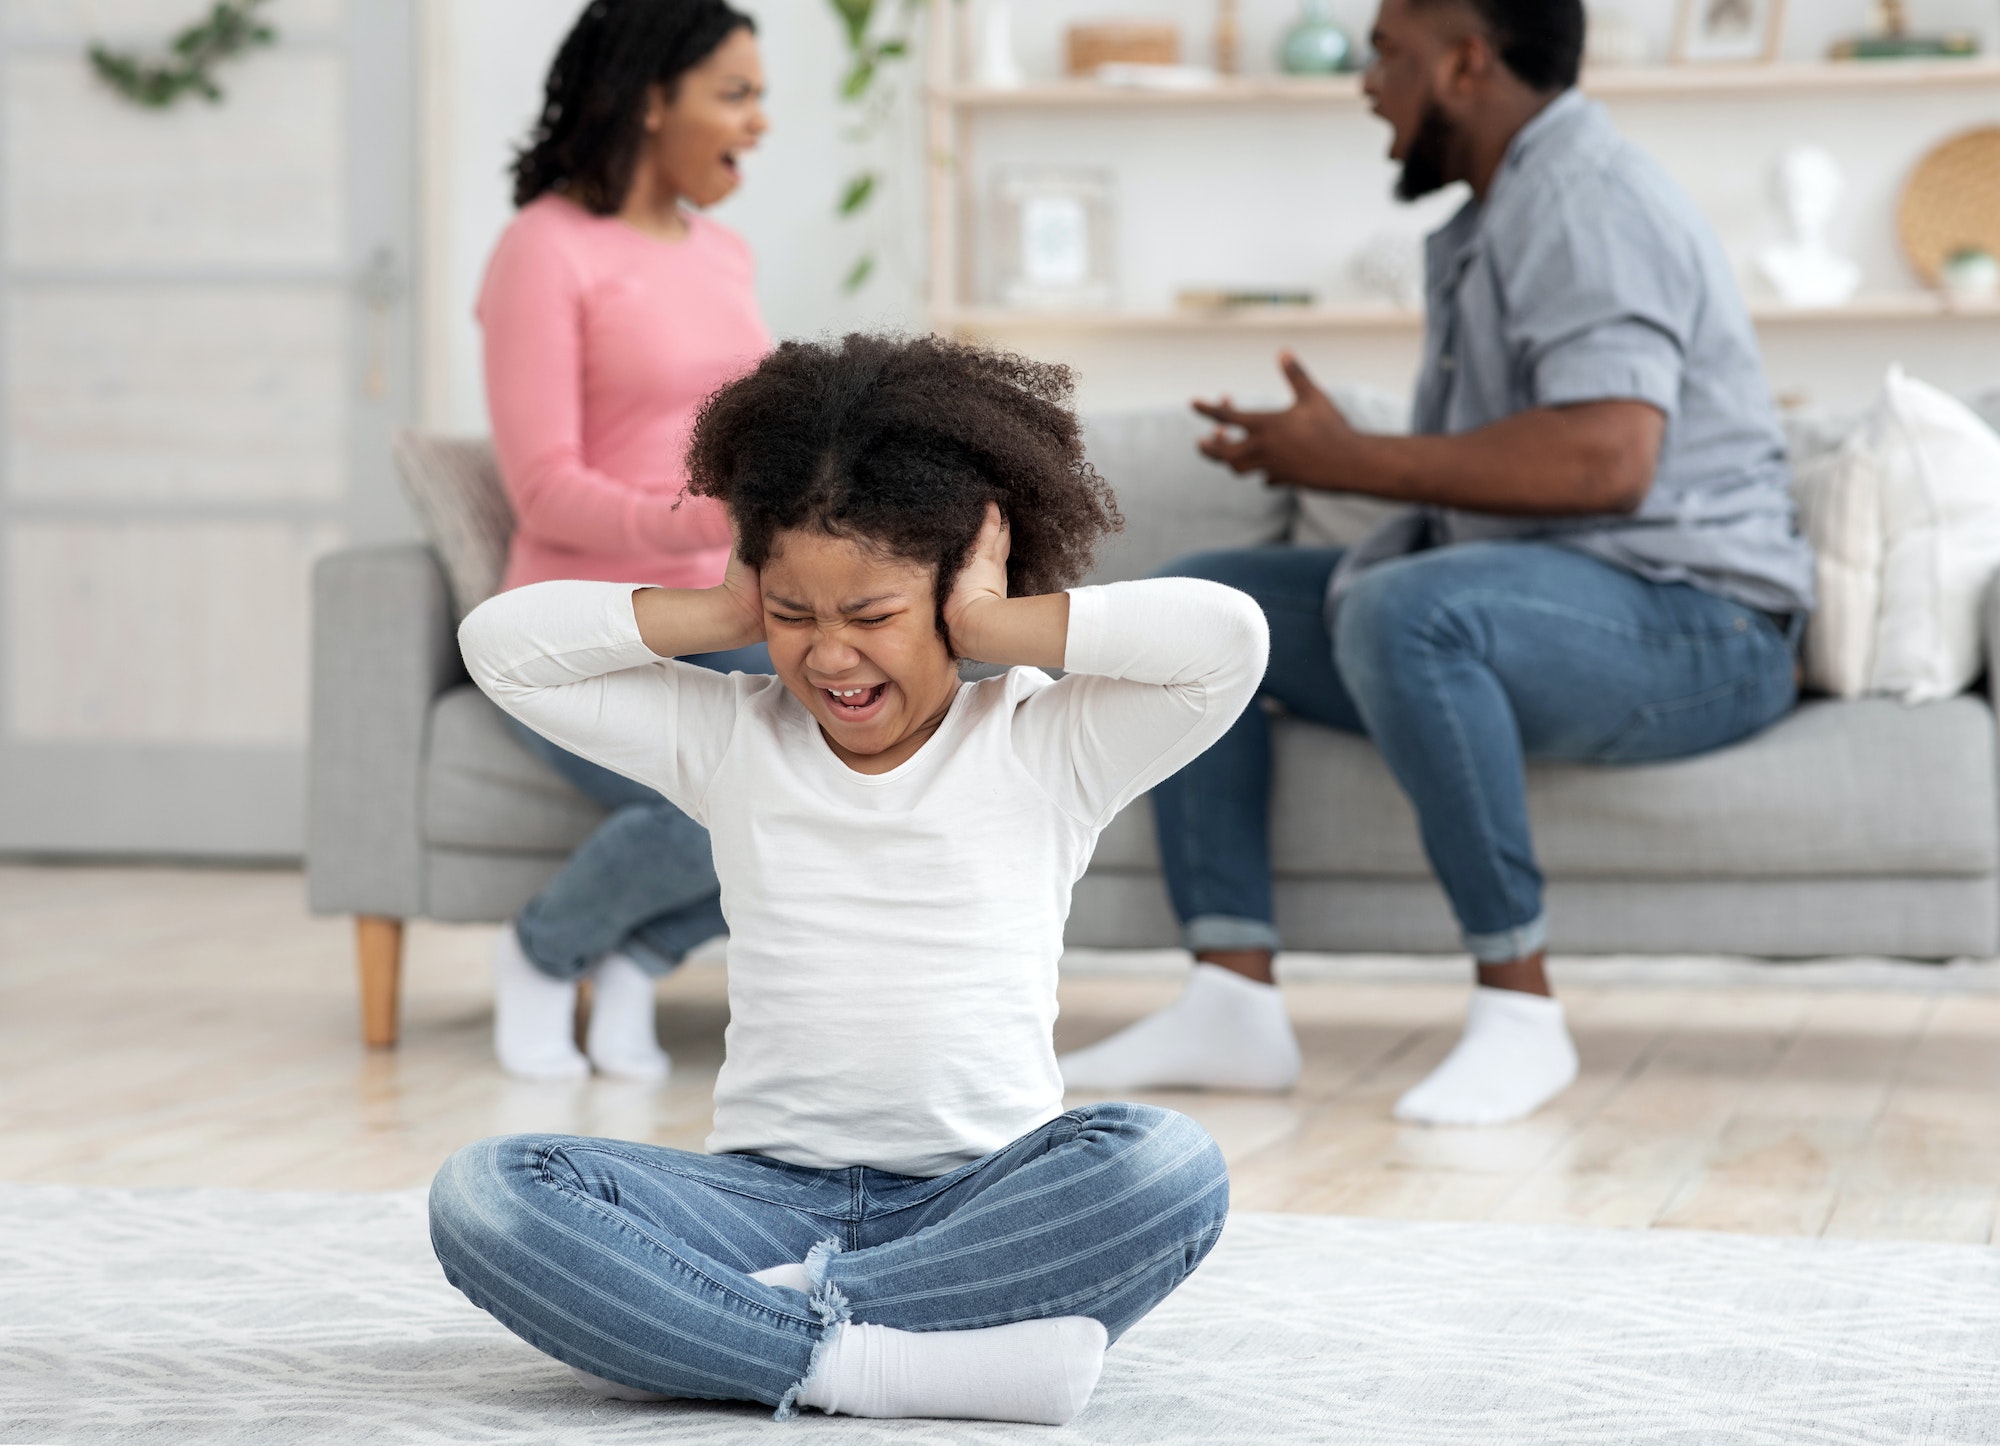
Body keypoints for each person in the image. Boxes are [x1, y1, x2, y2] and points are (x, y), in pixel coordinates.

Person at [429, 334, 1259, 1423]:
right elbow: (502, 645)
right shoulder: (730, 738)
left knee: (1168, 1168)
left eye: (871, 616)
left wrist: (995, 627)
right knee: (484, 1195)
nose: (828, 657)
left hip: (983, 1199)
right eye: (790, 615)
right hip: (763, 1202)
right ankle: (877, 1363)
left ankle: (750, 1329)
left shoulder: (1046, 744)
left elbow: (1228, 641)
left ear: (954, 591)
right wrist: (720, 614)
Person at [1059, 0, 1813, 1126]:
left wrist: (1353, 458)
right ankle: (1230, 997)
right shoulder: (1505, 208)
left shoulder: (1584, 201)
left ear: (1463, 62)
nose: (1366, 83)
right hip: (1563, 596)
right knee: (1202, 615)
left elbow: (1610, 457)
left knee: (1412, 614)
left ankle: (1520, 1009)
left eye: (1385, 55)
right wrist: (1320, 456)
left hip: (1701, 625)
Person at [478, 0, 772, 1081]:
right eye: (735, 93)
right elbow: (544, 488)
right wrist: (702, 519)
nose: (761, 120)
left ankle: (642, 956)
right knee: (735, 795)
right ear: (653, 101)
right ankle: (544, 954)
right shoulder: (542, 249)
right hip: (581, 624)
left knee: (845, 779)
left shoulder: (724, 253)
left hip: (725, 608)